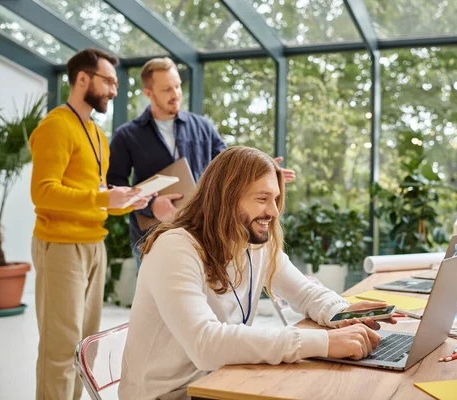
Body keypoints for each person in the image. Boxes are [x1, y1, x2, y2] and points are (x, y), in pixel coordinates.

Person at [119, 146, 394, 400]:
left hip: (223, 380)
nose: (273, 212)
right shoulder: (176, 248)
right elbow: (206, 344)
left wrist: (344, 314)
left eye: (275, 199)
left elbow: (306, 293)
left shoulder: (254, 242)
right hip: (169, 395)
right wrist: (323, 342)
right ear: (225, 199)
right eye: (262, 199)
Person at [29, 48, 151, 400]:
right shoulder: (56, 126)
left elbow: (93, 196)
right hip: (61, 247)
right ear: (83, 78)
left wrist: (124, 200)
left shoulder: (97, 135)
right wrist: (102, 198)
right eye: (108, 81)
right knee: (59, 349)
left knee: (84, 349)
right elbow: (44, 193)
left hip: (92, 245)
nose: (114, 89)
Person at [107, 57, 295, 268]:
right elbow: (115, 185)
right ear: (148, 93)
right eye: (167, 89)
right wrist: (151, 205)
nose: (176, 94)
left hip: (201, 231)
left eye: (178, 86)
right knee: (156, 297)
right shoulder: (126, 135)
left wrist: (262, 171)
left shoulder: (203, 126)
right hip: (152, 235)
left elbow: (228, 165)